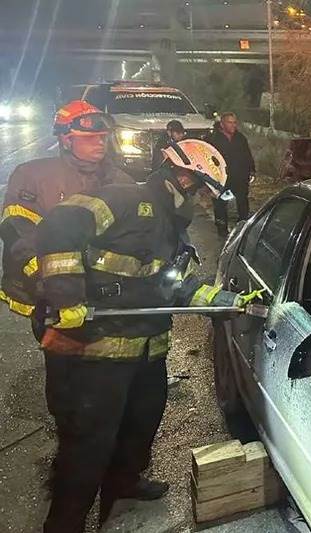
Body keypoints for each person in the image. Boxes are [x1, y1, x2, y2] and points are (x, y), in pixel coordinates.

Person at [35, 139, 259, 532]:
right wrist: (66, 295)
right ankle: (65, 523)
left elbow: (179, 286)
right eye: (205, 191)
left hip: (147, 351)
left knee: (142, 424)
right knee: (89, 445)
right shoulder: (124, 199)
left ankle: (123, 484)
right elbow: (58, 227)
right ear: (184, 177)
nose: (207, 202)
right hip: (98, 354)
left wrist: (226, 300)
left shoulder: (173, 229)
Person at [0, 100, 134, 318]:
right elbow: (18, 231)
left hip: (107, 294)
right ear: (66, 140)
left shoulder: (121, 180)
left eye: (103, 137)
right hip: (50, 296)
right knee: (63, 348)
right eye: (90, 138)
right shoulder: (33, 176)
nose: (100, 143)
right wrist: (55, 286)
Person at [207, 112, 255, 236]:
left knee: (242, 201)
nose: (233, 125)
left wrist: (252, 170)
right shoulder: (213, 139)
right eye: (230, 122)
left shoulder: (240, 138)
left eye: (234, 122)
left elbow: (247, 155)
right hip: (222, 179)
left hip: (240, 177)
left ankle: (243, 226)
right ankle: (222, 229)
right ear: (222, 124)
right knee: (221, 203)